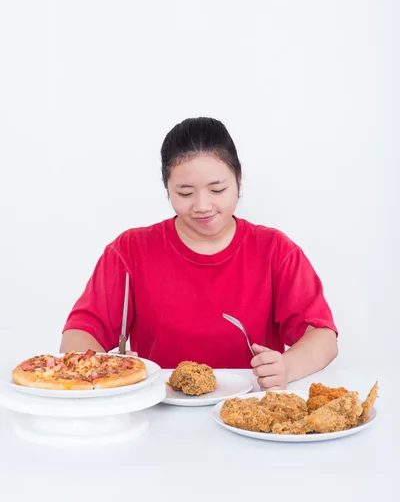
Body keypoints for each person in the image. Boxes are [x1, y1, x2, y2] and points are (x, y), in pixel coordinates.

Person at [61, 117, 338, 390]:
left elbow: (323, 337)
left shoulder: (275, 250)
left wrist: (286, 368)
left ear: (239, 180)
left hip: (252, 413)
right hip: (157, 413)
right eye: (184, 193)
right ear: (167, 188)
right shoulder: (130, 251)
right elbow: (79, 334)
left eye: (217, 189)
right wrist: (106, 369)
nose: (202, 206)